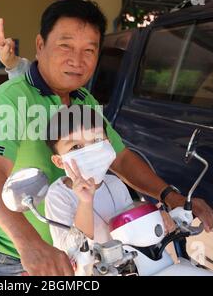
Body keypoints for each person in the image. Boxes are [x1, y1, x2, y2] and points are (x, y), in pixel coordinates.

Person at [0, 0, 213, 276]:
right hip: (13, 258)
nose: (77, 59)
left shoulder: (84, 101)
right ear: (40, 45)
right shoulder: (11, 100)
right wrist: (30, 244)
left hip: (79, 256)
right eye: (65, 45)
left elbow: (120, 157)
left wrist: (171, 197)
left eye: (89, 50)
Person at [44, 105, 176, 258]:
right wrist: (85, 202)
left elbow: (128, 215)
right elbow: (71, 250)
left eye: (97, 140)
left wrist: (154, 214)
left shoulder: (114, 182)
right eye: (76, 147)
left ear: (108, 143)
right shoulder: (58, 195)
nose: (90, 151)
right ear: (59, 162)